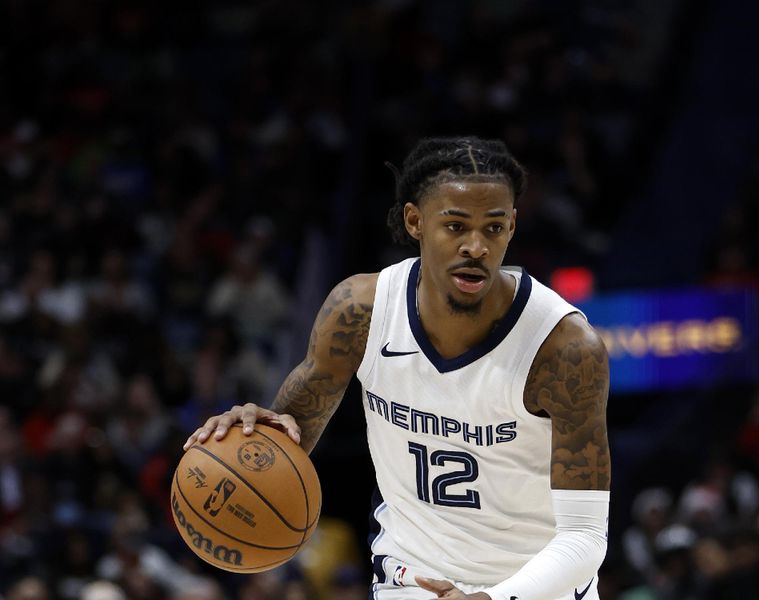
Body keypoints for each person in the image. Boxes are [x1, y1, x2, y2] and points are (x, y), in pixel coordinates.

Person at [183, 137, 611, 599]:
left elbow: (585, 537)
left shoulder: (564, 349)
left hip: (533, 586)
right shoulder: (361, 312)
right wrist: (247, 440)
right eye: (455, 226)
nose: (476, 246)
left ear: (512, 228)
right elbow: (287, 439)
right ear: (415, 221)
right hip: (412, 579)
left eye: (493, 228)